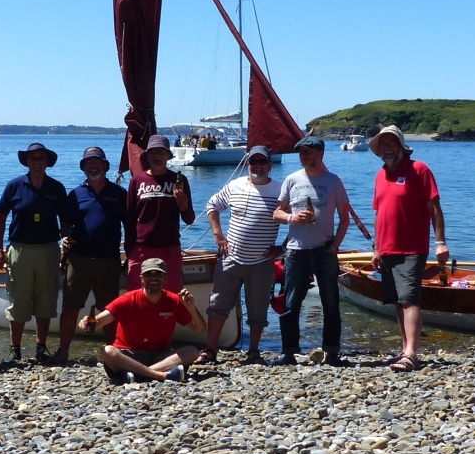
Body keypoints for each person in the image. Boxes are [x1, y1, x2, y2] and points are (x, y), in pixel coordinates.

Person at [369, 125, 447, 373]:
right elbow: (379, 213)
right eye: (383, 144)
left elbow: (434, 208)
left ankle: (412, 353)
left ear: (402, 146)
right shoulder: (381, 174)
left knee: (409, 299)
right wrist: (376, 248)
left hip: (412, 248)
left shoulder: (419, 169)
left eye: (391, 143)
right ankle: (405, 350)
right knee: (396, 301)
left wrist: (440, 242)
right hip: (387, 249)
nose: (387, 148)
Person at [272, 135, 351, 366]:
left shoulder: (334, 181)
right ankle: (288, 352)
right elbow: (277, 213)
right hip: (296, 251)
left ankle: (332, 352)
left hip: (324, 250)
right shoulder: (292, 179)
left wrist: (335, 246)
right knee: (291, 303)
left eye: (309, 152)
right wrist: (292, 218)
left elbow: (344, 218)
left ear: (321, 153)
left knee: (331, 303)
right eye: (301, 153)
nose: (304, 156)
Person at [199, 145, 282, 364]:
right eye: (254, 162)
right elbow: (212, 205)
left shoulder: (281, 191)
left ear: (270, 165)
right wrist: (218, 235)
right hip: (231, 258)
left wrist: (283, 247)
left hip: (262, 261)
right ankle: (210, 350)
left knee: (258, 308)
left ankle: (254, 351)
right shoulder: (234, 185)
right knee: (217, 305)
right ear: (248, 165)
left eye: (262, 162)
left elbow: (298, 220)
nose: (257, 166)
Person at [54, 146, 128, 363]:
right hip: (78, 261)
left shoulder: (118, 193)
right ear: (84, 168)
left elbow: (130, 226)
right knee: (70, 307)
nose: (93, 166)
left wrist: (130, 255)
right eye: (88, 163)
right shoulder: (76, 194)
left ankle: (115, 353)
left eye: (97, 162)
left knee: (110, 309)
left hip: (109, 260)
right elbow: (65, 223)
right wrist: (64, 237)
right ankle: (63, 352)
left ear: (105, 166)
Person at [0, 142, 65, 363]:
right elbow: (1, 217)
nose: (37, 162)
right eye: (32, 158)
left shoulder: (56, 188)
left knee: (45, 300)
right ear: (27, 161)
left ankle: (41, 347)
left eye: (41, 158)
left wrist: (67, 242)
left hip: (49, 250)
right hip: (20, 249)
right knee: (19, 300)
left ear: (47, 162)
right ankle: (14, 348)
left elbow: (67, 220)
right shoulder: (14, 185)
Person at [80, 257, 205, 383]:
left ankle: (140, 375)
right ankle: (160, 375)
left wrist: (191, 308)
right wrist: (85, 323)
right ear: (141, 279)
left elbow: (200, 329)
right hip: (128, 356)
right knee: (107, 351)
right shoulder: (127, 300)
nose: (153, 278)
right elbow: (97, 323)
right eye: (148, 274)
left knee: (192, 351)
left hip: (159, 356)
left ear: (165, 278)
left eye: (158, 274)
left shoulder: (174, 301)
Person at [127, 134, 194, 292]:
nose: (157, 156)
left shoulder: (179, 180)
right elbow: (129, 219)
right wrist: (130, 253)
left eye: (162, 152)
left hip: (170, 249)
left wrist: (183, 206)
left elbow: (189, 219)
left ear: (169, 156)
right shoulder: (136, 181)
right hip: (142, 249)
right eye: (154, 152)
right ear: (147, 155)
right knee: (137, 296)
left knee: (171, 296)